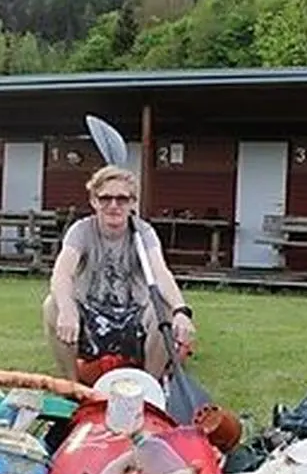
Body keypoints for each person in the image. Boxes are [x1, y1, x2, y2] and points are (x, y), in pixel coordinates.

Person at [42, 164, 196, 384]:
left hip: (134, 319)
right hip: (91, 319)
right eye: (105, 198)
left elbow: (161, 273)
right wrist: (67, 310)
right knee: (52, 305)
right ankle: (73, 387)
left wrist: (181, 310)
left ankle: (149, 388)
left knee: (165, 310)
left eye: (122, 199)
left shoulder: (144, 232)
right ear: (94, 201)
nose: (113, 206)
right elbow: (61, 272)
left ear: (133, 203)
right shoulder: (81, 230)